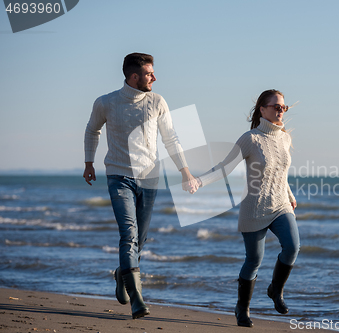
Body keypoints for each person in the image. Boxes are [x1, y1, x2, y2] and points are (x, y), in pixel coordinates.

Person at [83, 52, 198, 319]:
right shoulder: (106, 102)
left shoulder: (158, 101)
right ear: (134, 77)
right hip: (118, 176)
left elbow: (171, 138)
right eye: (149, 74)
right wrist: (89, 162)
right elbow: (92, 130)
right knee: (129, 234)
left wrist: (185, 172)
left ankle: (121, 274)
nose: (154, 78)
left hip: (149, 179)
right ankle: (137, 299)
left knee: (140, 240)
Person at [196, 89, 299, 327]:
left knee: (292, 247)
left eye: (284, 107)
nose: (281, 110)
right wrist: (199, 181)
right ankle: (242, 309)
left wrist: (290, 195)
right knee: (254, 260)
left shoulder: (285, 138)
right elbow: (225, 166)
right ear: (262, 110)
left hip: (281, 204)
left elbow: (281, 173)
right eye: (276, 106)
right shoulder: (250, 139)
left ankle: (276, 290)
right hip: (254, 206)